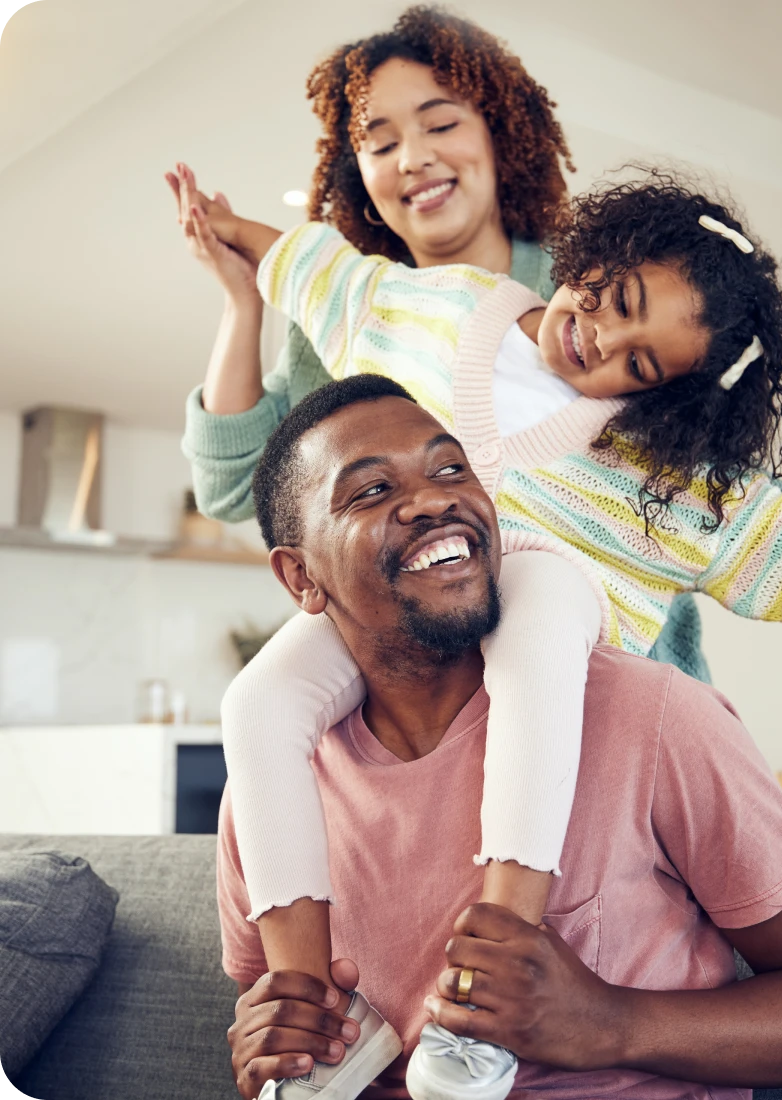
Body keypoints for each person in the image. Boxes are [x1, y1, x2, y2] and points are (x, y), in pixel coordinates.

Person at [180, 165, 782, 1100]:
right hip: (406, 611)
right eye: (618, 301)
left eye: (638, 363)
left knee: (539, 634)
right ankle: (319, 1002)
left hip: (552, 588)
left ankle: (499, 955)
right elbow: (343, 281)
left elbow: (762, 529)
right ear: (598, 254)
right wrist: (236, 233)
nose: (603, 340)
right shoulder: (452, 309)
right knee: (257, 698)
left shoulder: (648, 482)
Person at [219, 375, 782, 1100]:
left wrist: (610, 1023)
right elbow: (268, 1003)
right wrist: (269, 1040)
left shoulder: (656, 718)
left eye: (451, 469)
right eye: (371, 491)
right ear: (301, 578)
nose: (433, 498)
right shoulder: (274, 787)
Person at [173, 6, 711, 680]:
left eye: (441, 123)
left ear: (499, 135)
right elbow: (231, 490)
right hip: (430, 697)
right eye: (380, 141)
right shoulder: (344, 322)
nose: (415, 157)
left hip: (616, 674)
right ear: (360, 177)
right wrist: (243, 301)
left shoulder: (587, 294)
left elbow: (709, 479)